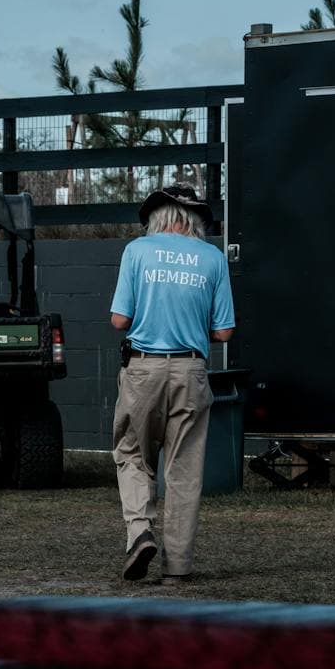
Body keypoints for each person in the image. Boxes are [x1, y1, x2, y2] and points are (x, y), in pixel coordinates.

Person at [109, 183, 235, 585]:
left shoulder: (136, 251)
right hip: (191, 371)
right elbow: (225, 331)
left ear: (156, 216)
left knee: (132, 453)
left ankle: (140, 533)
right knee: (183, 470)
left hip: (143, 370)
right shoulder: (213, 258)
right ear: (196, 218)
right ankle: (177, 566)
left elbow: (119, 321)